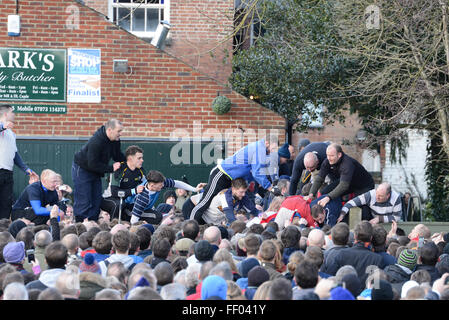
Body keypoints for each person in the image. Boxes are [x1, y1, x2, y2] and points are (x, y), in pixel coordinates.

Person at [189, 135, 279, 223]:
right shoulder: (259, 149)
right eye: (273, 148)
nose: (272, 152)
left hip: (232, 178)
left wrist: (258, 213)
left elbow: (252, 174)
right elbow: (257, 173)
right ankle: (190, 226)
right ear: (267, 143)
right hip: (222, 174)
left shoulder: (258, 149)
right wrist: (270, 187)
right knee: (205, 202)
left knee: (242, 196)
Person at [72, 119, 126, 222]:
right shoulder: (96, 141)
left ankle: (93, 224)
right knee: (84, 200)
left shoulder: (115, 140)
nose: (120, 134)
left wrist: (128, 161)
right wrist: (111, 168)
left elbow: (117, 155)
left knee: (96, 200)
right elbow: (92, 163)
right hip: (83, 169)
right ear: (110, 130)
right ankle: (79, 226)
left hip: (96, 170)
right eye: (119, 131)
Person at [308, 143, 375, 221]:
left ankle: (368, 223)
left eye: (332, 156)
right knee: (325, 192)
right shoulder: (327, 161)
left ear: (339, 155)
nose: (329, 158)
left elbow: (344, 186)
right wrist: (311, 193)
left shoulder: (347, 163)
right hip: (348, 181)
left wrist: (328, 197)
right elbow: (319, 178)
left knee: (363, 208)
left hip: (363, 185)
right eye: (327, 155)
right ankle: (328, 216)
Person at [0, 104, 39, 220]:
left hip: (7, 173)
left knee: (6, 206)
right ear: (6, 114)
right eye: (13, 112)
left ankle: (3, 232)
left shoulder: (12, 134)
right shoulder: (3, 127)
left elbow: (15, 154)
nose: (15, 115)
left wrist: (26, 169)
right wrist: (2, 126)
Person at [130, 170, 203, 225]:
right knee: (157, 217)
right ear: (152, 185)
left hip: (146, 209)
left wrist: (194, 189)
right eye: (160, 185)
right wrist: (139, 225)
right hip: (130, 211)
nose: (163, 186)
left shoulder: (159, 183)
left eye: (162, 184)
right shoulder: (143, 197)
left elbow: (177, 183)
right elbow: (133, 220)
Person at [187, 178, 260, 226]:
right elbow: (231, 218)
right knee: (191, 231)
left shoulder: (242, 196)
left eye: (245, 191)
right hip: (192, 207)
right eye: (241, 192)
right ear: (233, 189)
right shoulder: (225, 196)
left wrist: (262, 215)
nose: (244, 194)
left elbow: (253, 210)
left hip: (211, 219)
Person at [101, 145, 146, 220]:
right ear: (130, 158)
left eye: (142, 158)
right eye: (139, 158)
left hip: (126, 200)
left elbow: (146, 184)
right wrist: (134, 191)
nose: (142, 160)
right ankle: (113, 227)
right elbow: (114, 192)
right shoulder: (119, 169)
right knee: (119, 204)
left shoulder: (140, 171)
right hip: (109, 198)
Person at [337, 182, 402, 224]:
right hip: (371, 220)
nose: (377, 197)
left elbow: (397, 217)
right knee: (364, 208)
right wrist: (343, 213)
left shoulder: (396, 198)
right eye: (377, 194)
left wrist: (379, 219)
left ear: (388, 196)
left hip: (388, 224)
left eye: (380, 196)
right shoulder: (371, 194)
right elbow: (351, 202)